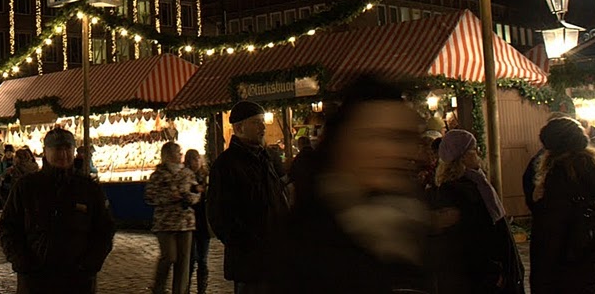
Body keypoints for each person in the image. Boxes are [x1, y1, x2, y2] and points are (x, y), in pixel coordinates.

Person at [274, 75, 433, 293]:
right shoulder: (308, 242)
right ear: (342, 143)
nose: (393, 150)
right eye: (375, 136)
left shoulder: (417, 224)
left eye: (402, 137)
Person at [0, 127, 115, 294]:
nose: (63, 155)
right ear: (46, 152)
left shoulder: (88, 188)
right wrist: (22, 262)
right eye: (57, 149)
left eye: (67, 149)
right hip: (35, 280)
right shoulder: (27, 187)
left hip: (77, 279)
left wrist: (90, 264)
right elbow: (8, 227)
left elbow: (104, 229)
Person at [207, 100, 289, 293]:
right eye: (256, 122)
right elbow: (220, 216)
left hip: (275, 257)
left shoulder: (266, 157)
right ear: (239, 127)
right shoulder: (226, 165)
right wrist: (248, 244)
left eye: (263, 122)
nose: (262, 127)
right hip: (250, 263)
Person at [530, 116, 595, 294]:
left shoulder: (560, 178)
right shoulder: (589, 171)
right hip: (589, 270)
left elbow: (551, 236)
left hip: (565, 275)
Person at [431, 130, 523, 293]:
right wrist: (491, 272)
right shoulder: (455, 190)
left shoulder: (478, 182)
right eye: (474, 149)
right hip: (482, 277)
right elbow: (466, 239)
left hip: (497, 266)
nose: (478, 153)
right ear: (462, 157)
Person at [145, 142, 199, 294]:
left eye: (180, 152)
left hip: (185, 222)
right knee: (169, 256)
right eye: (177, 152)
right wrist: (170, 197)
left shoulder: (187, 173)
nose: (180, 155)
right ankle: (159, 288)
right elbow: (150, 196)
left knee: (183, 262)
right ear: (167, 155)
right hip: (165, 223)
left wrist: (190, 197)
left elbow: (196, 192)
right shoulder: (158, 175)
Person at [184, 149, 210, 294]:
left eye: (198, 159)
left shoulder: (205, 176)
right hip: (189, 222)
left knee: (203, 259)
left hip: (203, 222)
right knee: (190, 259)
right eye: (193, 159)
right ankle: (185, 287)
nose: (197, 162)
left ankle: (202, 289)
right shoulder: (185, 177)